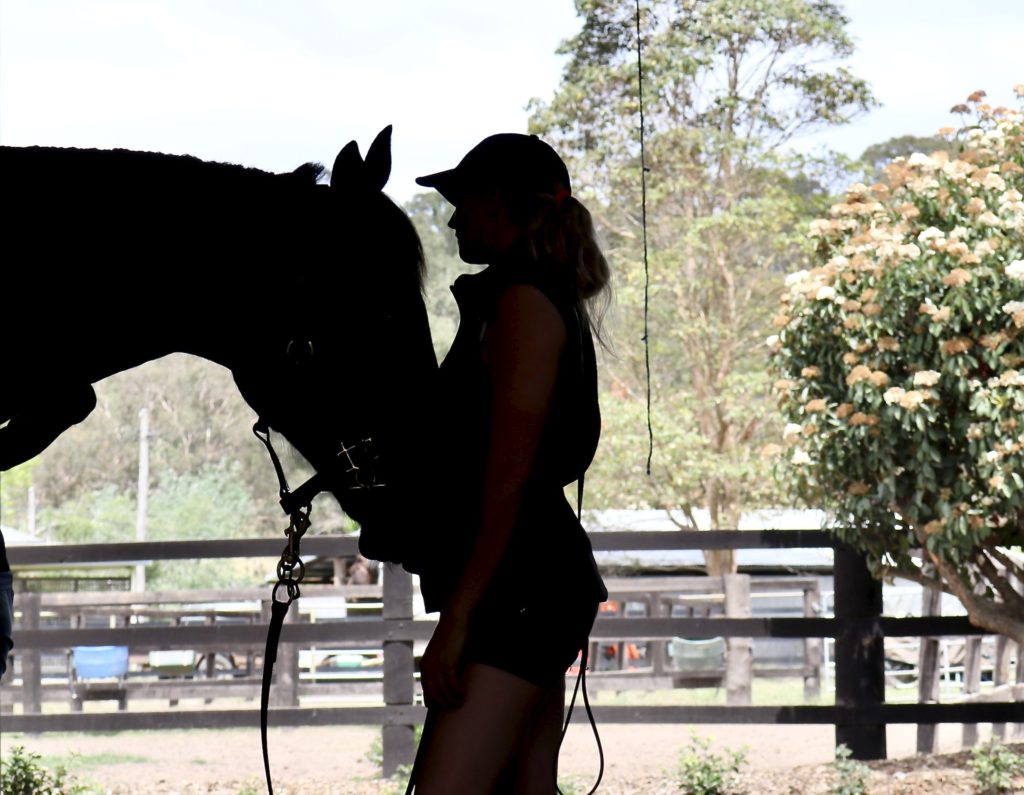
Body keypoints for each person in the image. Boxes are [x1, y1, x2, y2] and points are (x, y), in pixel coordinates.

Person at [410, 133, 610, 794]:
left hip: (520, 590)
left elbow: (510, 475)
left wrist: (459, 616)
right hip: (530, 582)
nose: (455, 217)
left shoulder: (523, 303)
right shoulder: (529, 297)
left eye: (463, 200)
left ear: (498, 202)